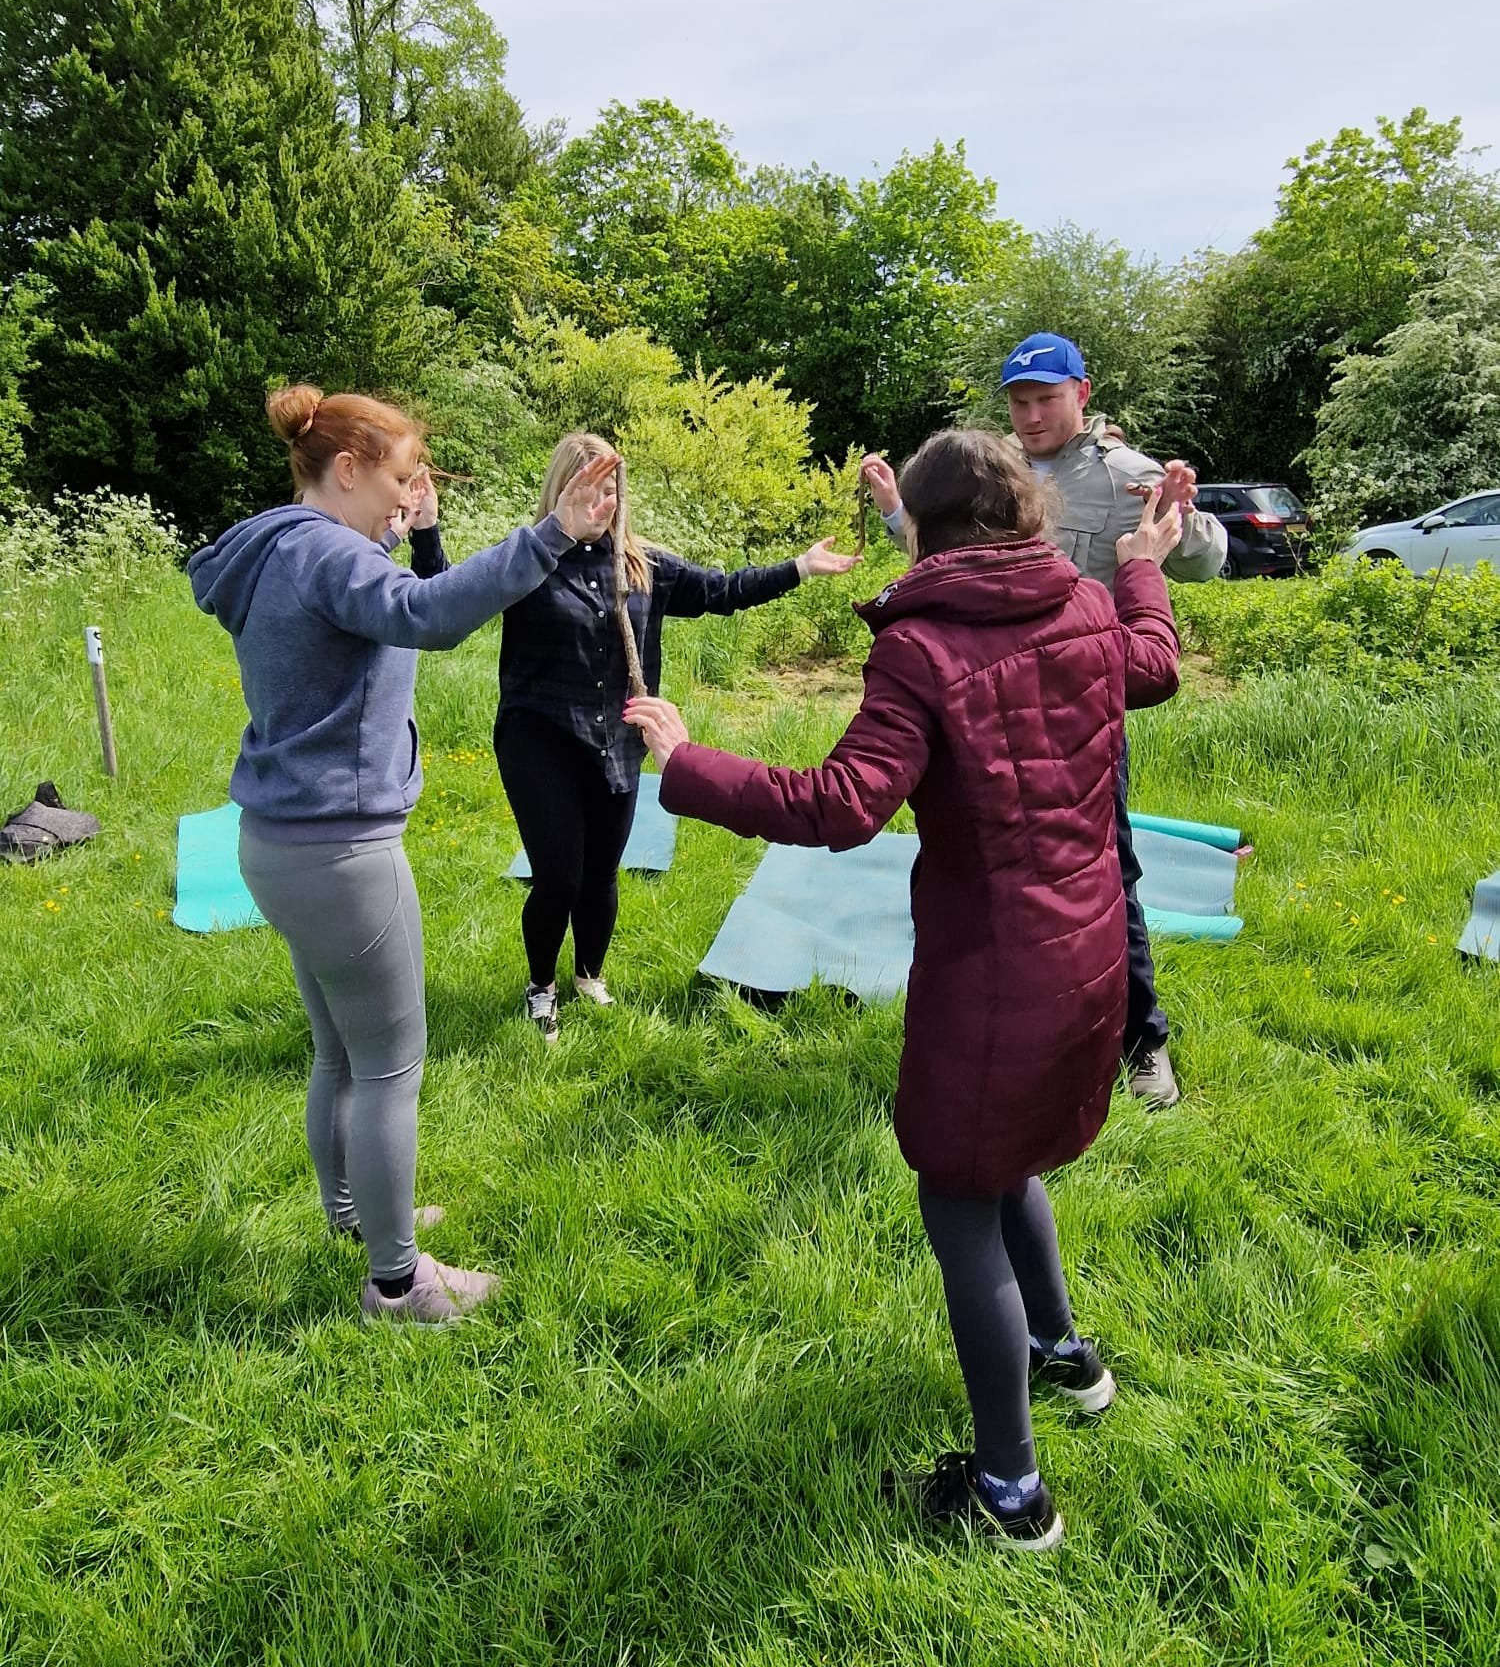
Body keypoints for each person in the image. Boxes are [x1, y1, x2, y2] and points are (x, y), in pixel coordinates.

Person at [627, 429, 1182, 1547]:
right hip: (1087, 959)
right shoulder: (1082, 604)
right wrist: (1141, 560)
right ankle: (1065, 1356)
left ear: (920, 526)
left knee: (956, 1188)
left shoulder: (921, 646)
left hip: (994, 980)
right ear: (1025, 516)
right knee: (1004, 1160)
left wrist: (686, 762)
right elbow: (1155, 661)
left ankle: (1011, 1493)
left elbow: (841, 805)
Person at [189, 386, 617, 1325]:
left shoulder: (280, 549)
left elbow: (365, 603)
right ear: (345, 468)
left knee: (339, 1051)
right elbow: (429, 615)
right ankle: (397, 1283)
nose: (408, 496)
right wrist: (547, 534)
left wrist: (392, 530)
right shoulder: (326, 556)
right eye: (397, 478)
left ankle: (355, 1214)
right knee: (389, 1065)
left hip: (279, 839)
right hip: (342, 848)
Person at [862, 335, 1226, 1109]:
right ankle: (1008, 1035)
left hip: (1081, 711)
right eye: (1019, 402)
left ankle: (1142, 1042)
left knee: (1106, 875)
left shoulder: (1131, 477)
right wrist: (897, 511)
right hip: (983, 707)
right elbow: (942, 547)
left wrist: (1185, 521)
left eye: (1045, 399)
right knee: (987, 877)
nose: (1030, 416)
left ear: (1082, 393)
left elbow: (1200, 561)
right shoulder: (997, 467)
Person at [495, 431, 861, 1042]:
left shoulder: (643, 566)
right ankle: (541, 988)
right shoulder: (526, 561)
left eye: (610, 491)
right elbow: (448, 596)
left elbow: (723, 591)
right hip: (541, 738)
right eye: (588, 490)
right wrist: (424, 534)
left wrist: (800, 567)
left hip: (616, 740)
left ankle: (588, 975)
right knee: (558, 875)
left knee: (602, 872)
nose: (602, 504)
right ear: (561, 491)